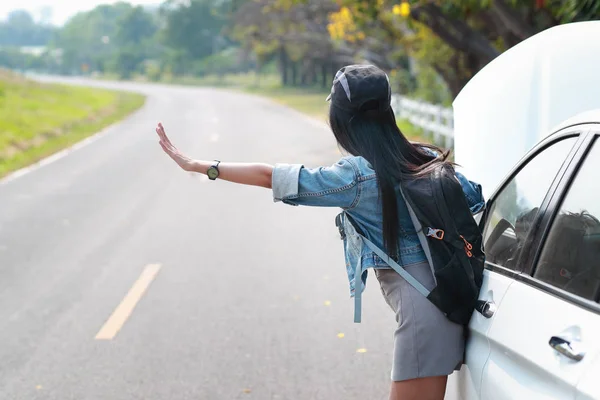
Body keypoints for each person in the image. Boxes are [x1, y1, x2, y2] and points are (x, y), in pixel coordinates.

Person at [155, 64, 485, 400]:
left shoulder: (356, 176)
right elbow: (475, 197)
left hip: (422, 316)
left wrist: (202, 166)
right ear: (387, 112)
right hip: (449, 297)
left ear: (341, 120)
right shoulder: (425, 157)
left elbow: (274, 177)